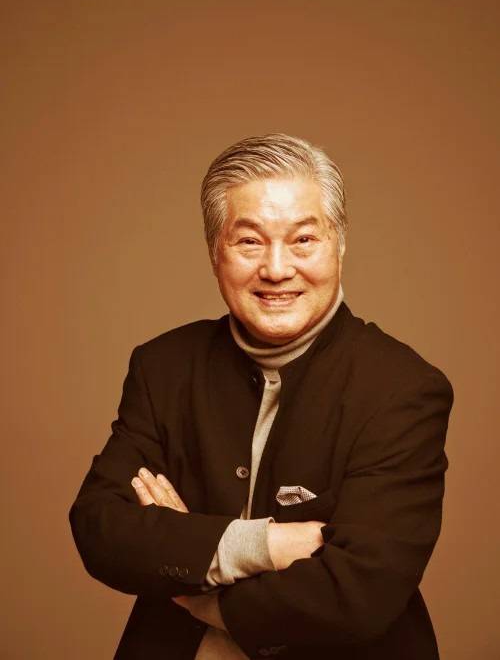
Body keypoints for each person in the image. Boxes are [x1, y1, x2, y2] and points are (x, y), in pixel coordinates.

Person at [69, 133, 454, 660]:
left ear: (339, 245)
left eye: (303, 240)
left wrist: (201, 588)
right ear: (214, 252)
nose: (276, 269)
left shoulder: (402, 387)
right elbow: (100, 528)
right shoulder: (164, 366)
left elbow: (359, 593)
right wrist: (267, 544)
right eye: (249, 241)